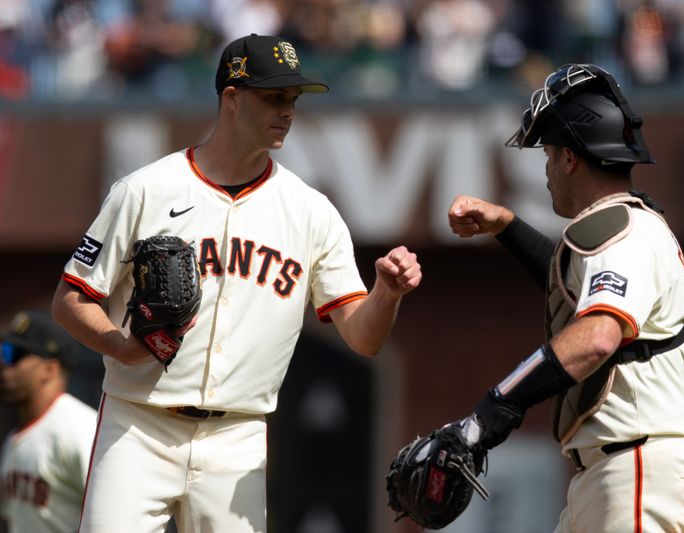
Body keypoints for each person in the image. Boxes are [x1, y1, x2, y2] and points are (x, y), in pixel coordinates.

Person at [51, 33, 422, 533]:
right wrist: (119, 345)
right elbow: (71, 299)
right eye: (273, 96)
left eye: (292, 99)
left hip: (238, 437)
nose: (287, 110)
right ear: (232, 97)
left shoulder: (311, 211)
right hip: (139, 424)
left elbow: (364, 337)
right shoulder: (144, 190)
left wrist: (387, 294)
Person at [445, 64, 684, 531]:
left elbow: (596, 336)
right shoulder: (625, 229)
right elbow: (574, 295)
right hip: (626, 471)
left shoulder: (622, 231)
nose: (548, 170)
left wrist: (492, 410)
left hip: (640, 468)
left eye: (550, 155)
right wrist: (509, 228)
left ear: (572, 157)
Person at [0, 309, 97, 533]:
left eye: (13, 354)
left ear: (49, 369)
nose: (2, 364)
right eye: (1, 351)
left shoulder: (81, 428)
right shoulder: (13, 439)